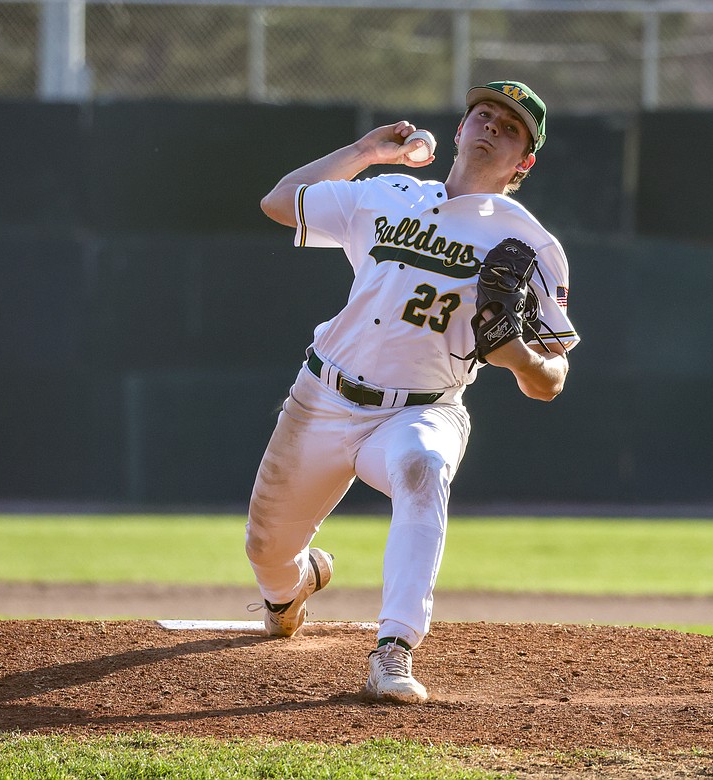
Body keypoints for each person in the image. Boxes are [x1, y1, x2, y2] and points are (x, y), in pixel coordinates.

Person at [247, 80, 578, 704]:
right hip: (321, 397)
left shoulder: (529, 243)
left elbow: (551, 381)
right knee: (267, 553)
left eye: (510, 129)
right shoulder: (389, 193)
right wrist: (368, 150)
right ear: (459, 129)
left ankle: (392, 651)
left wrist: (517, 358)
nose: (491, 129)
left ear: (524, 162)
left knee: (424, 470)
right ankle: (294, 586)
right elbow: (279, 201)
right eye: (483, 115)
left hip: (423, 410)